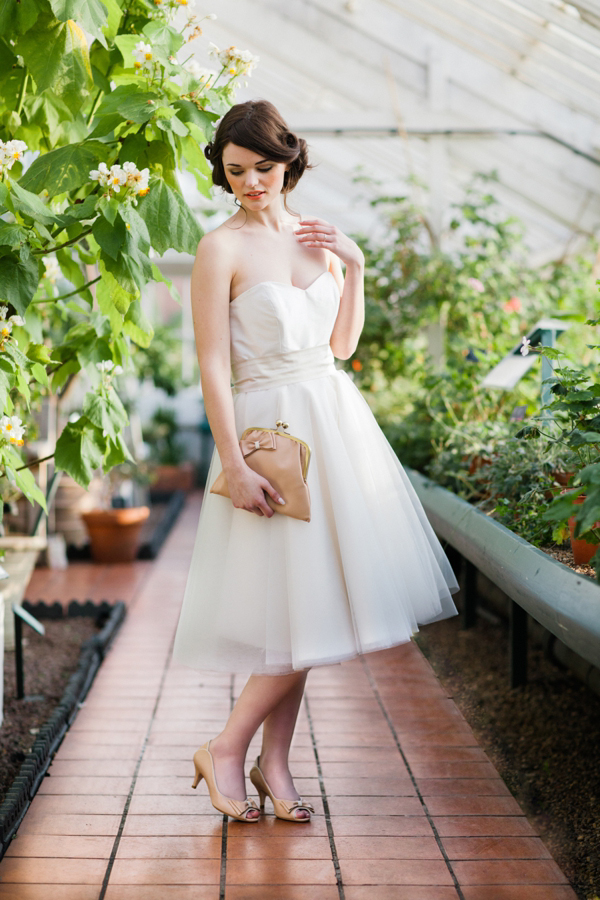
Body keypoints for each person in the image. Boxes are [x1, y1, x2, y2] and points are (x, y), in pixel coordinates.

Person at [172, 99, 459, 824]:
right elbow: (212, 365)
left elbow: (339, 347)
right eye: (235, 170)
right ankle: (228, 748)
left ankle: (273, 763)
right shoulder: (220, 249)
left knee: (312, 606)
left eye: (263, 167)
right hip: (271, 435)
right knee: (301, 606)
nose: (251, 182)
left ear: (288, 161)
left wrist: (354, 267)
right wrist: (233, 462)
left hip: (334, 425)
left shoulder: (318, 238)